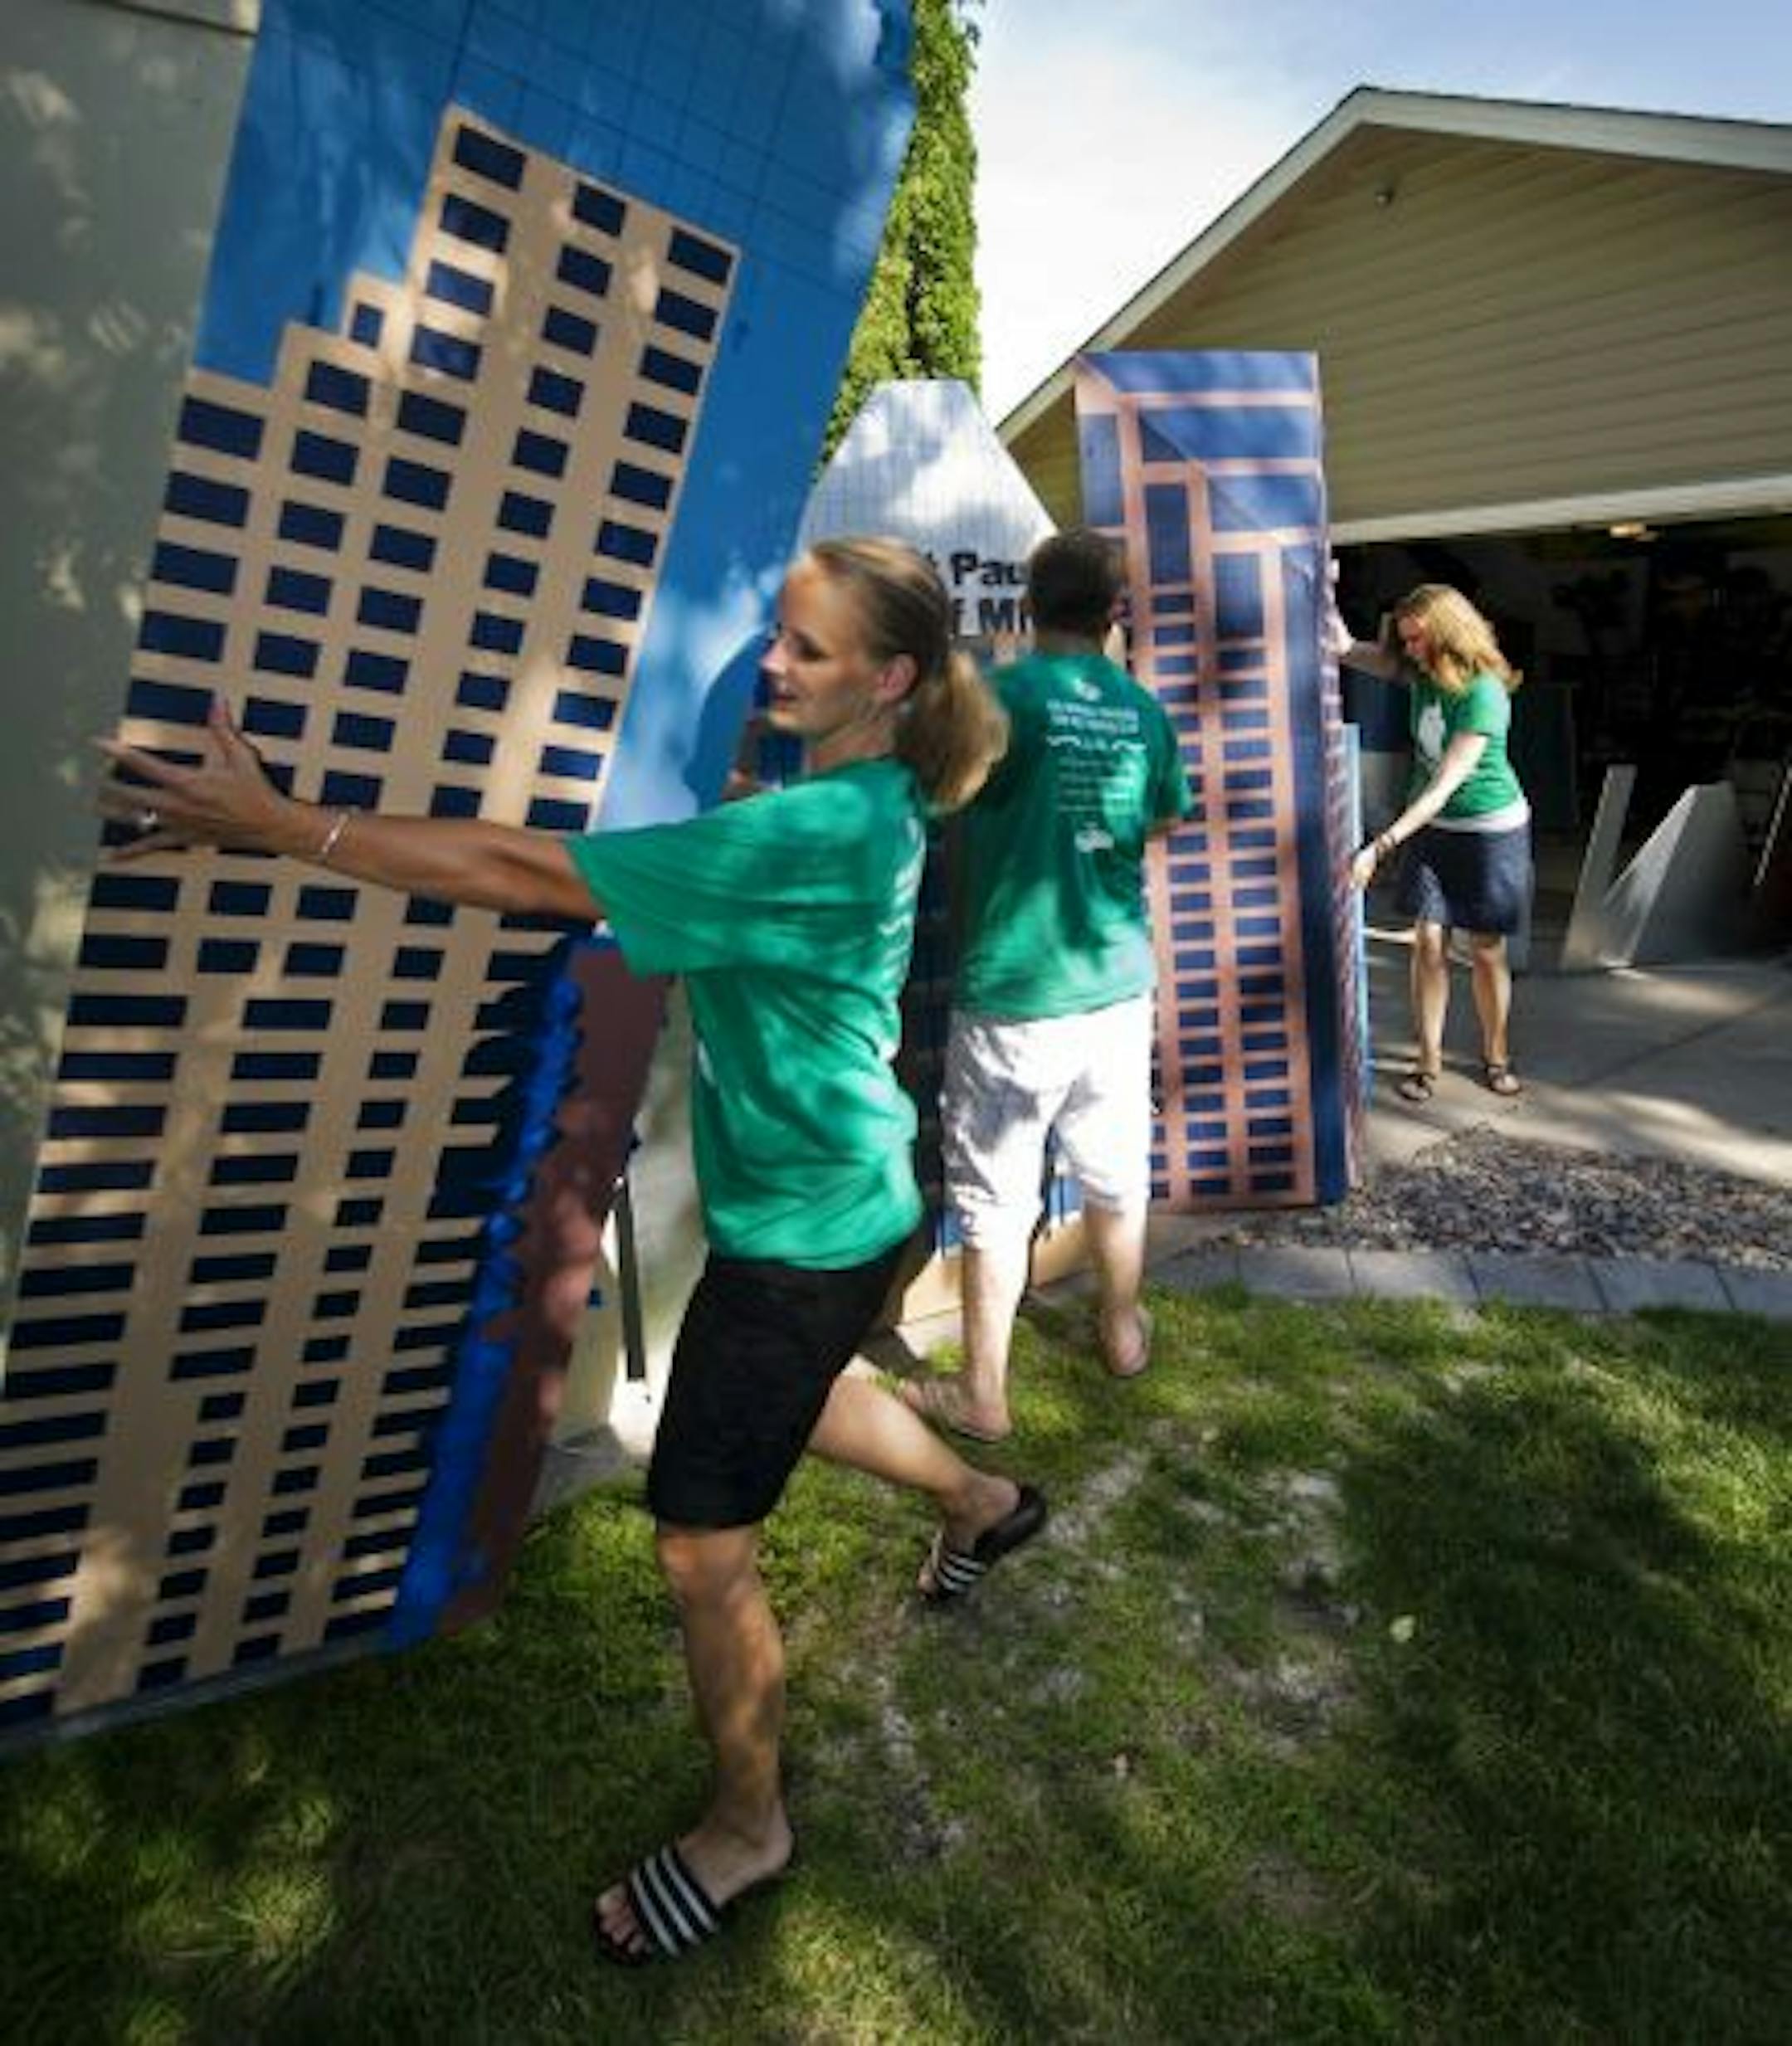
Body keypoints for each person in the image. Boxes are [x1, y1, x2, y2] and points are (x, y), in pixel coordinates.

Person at [96, 536, 1049, 1966]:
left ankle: (749, 1828)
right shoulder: (870, 791)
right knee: (787, 1398)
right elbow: (776, 862)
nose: (770, 665)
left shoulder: (812, 829)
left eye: (805, 650)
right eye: (775, 636)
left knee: (700, 1542)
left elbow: (523, 868)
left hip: (806, 1232)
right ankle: (980, 1500)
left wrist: (287, 825)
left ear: (891, 677)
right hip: (848, 1203)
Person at [900, 526, 1193, 1445]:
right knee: (1115, 1170)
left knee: (995, 1195)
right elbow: (1160, 824)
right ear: (1116, 613)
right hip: (1113, 982)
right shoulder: (1143, 711)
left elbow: (931, 800)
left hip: (1015, 990)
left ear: (1029, 605)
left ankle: (984, 1394)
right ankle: (1119, 1328)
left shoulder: (998, 694)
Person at [1329, 581, 1531, 1102]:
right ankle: (1428, 1061)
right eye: (1407, 641)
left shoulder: (1484, 694)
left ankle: (1497, 1056)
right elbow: (1359, 654)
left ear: (1448, 636)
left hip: (1488, 830)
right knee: (1428, 942)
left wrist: (1379, 845)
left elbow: (1444, 786)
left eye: (1419, 640)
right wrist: (1328, 611)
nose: (1410, 650)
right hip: (1432, 830)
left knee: (1485, 950)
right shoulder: (1422, 669)